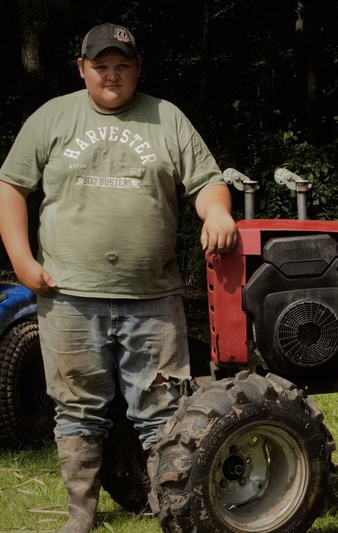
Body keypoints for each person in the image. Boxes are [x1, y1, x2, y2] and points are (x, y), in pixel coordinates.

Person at [0, 23, 238, 533]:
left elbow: (208, 181)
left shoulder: (166, 117)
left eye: (122, 65)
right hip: (68, 297)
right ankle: (80, 514)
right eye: (101, 66)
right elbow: (12, 185)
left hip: (151, 296)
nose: (112, 75)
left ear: (137, 68)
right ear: (82, 69)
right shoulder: (52, 117)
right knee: (77, 412)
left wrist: (217, 214)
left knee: (164, 412)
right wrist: (21, 259)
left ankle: (172, 507)